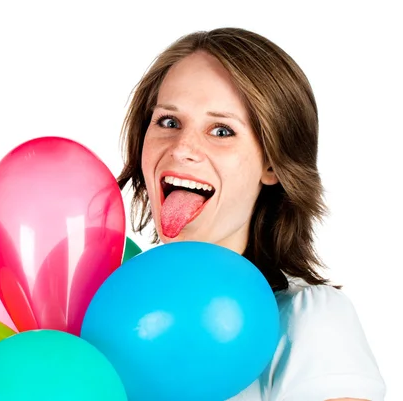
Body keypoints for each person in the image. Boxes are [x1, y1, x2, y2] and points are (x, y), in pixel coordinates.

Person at [116, 27, 386, 401]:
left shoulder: (308, 321)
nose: (182, 148)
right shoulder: (108, 309)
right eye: (168, 122)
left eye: (222, 130)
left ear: (272, 164)